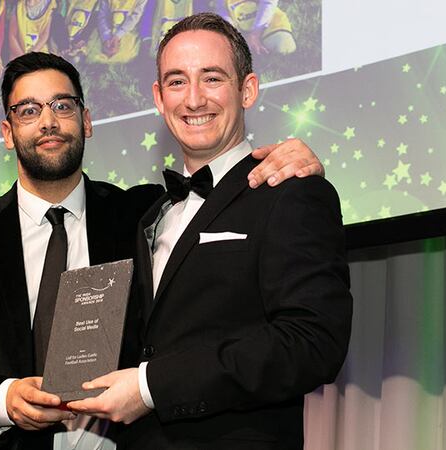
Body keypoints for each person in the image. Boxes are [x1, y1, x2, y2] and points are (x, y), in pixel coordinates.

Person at [0, 52, 325, 449]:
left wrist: (294, 158)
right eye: (28, 111)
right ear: (8, 133)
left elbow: (217, 201)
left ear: (86, 121)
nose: (48, 122)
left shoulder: (142, 213)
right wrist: (5, 398)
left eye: (62, 106)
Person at [68, 13, 352, 450]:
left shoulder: (289, 193)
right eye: (177, 82)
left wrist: (149, 387)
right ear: (159, 99)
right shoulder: (148, 214)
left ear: (248, 89)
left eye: (212, 78)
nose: (194, 99)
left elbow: (312, 343)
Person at [224, 0, 296, 55]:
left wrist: (255, 34)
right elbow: (223, 11)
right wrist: (235, 36)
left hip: (270, 24)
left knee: (284, 47)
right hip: (240, 27)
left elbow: (268, 4)